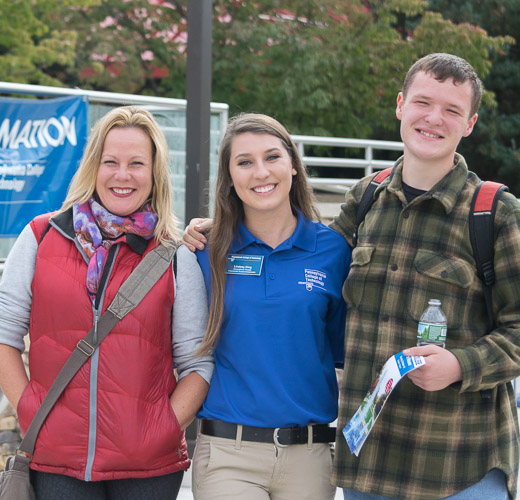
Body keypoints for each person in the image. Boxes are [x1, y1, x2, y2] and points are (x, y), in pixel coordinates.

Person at [183, 53, 520, 500]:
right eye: (423, 102)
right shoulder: (365, 200)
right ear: (401, 105)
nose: (434, 118)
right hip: (371, 468)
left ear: (470, 122)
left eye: (452, 110)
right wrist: (214, 229)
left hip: (459, 463)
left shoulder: (495, 213)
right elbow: (300, 257)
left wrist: (461, 365)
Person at [0, 106, 213, 500]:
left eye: (136, 163)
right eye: (111, 162)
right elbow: (2, 335)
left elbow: (196, 363)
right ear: (94, 166)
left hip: (148, 468)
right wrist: (30, 408)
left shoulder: (176, 258)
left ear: (154, 173)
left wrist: (162, 427)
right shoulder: (40, 238)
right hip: (58, 459)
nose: (122, 175)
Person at [190, 113, 351, 500]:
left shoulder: (333, 251)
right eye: (244, 162)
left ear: (293, 165)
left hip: (309, 458)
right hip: (228, 453)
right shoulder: (204, 251)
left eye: (272, 157)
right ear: (229, 178)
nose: (260, 172)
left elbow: (342, 350)